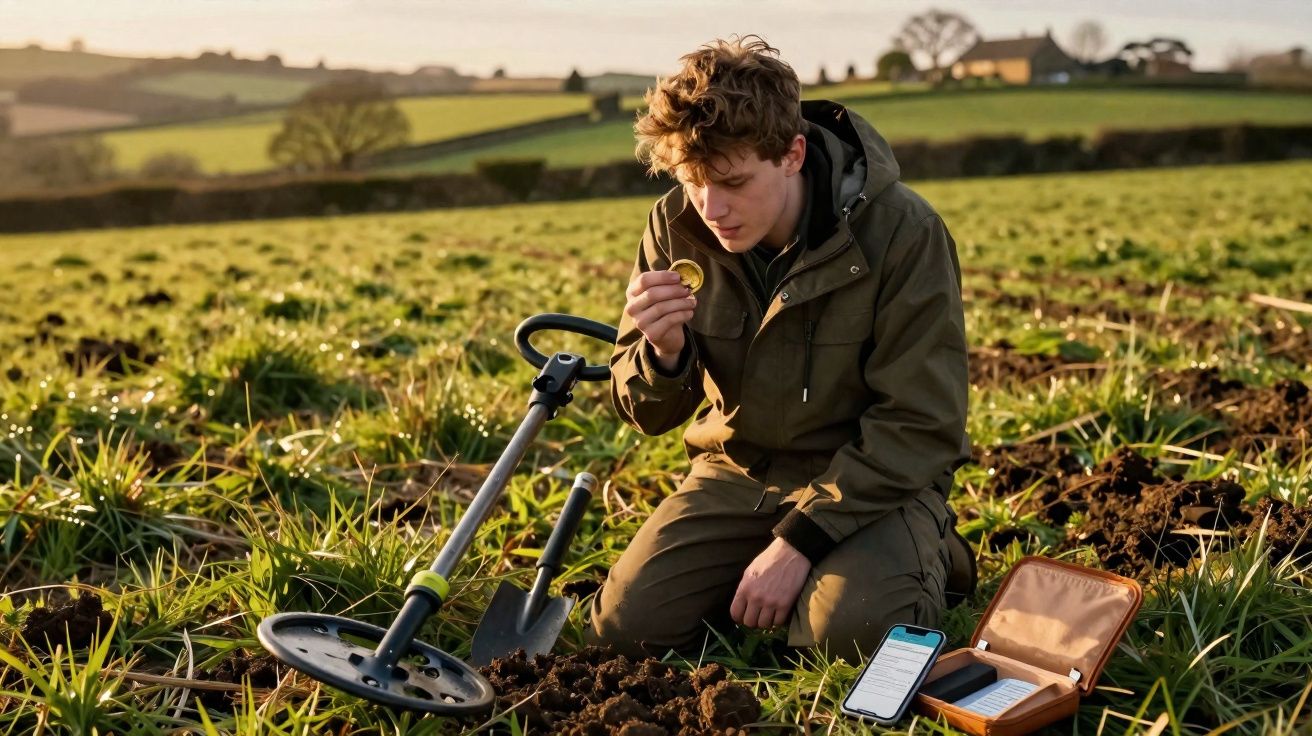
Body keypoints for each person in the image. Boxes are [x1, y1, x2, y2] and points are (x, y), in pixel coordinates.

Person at [585, 35, 975, 663]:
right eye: (692, 181)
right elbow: (647, 412)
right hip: (735, 474)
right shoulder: (673, 223)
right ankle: (777, 576)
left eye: (734, 182)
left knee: (852, 637)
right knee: (622, 638)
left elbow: (921, 423)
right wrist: (662, 354)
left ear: (792, 154)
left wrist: (799, 541)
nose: (711, 208)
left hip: (869, 483)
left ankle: (932, 551)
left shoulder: (904, 232)